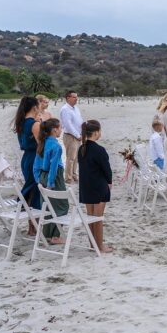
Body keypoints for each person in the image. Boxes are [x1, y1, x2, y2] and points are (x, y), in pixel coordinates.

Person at [78, 120, 113, 253]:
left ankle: (92, 244)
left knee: (91, 217)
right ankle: (100, 246)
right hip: (98, 187)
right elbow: (107, 169)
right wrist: (109, 182)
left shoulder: (82, 148)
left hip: (86, 187)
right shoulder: (99, 150)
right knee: (98, 218)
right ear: (96, 132)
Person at [33, 118, 66, 245]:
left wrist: (38, 179)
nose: (61, 130)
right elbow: (53, 167)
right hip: (54, 177)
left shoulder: (43, 142)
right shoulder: (56, 146)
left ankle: (47, 234)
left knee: (47, 205)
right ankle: (55, 236)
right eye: (60, 128)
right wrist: (51, 184)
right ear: (54, 130)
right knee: (62, 205)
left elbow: (36, 165)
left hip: (42, 176)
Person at [12, 96, 42, 234]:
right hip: (34, 158)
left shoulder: (21, 122)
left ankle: (32, 226)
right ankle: (33, 226)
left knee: (32, 188)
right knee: (34, 189)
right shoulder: (33, 124)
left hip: (26, 158)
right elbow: (41, 145)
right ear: (35, 107)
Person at [60, 90, 83, 184]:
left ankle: (74, 175)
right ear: (68, 98)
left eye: (76, 97)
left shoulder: (76, 108)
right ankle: (68, 178)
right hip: (70, 136)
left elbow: (80, 120)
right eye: (74, 97)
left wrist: (83, 133)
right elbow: (68, 125)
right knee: (71, 158)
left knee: (77, 157)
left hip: (78, 136)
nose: (76, 99)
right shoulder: (65, 109)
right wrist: (77, 135)